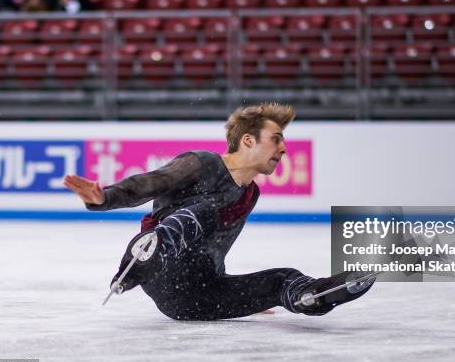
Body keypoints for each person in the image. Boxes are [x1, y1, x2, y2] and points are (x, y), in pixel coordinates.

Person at [64, 103, 374, 321]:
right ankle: (145, 255)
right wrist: (105, 197)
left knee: (283, 279)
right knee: (205, 211)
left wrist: (250, 297)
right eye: (276, 139)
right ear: (248, 140)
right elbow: (149, 183)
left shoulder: (251, 193)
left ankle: (315, 295)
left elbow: (216, 247)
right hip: (162, 271)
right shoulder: (202, 163)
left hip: (196, 295)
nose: (283, 149)